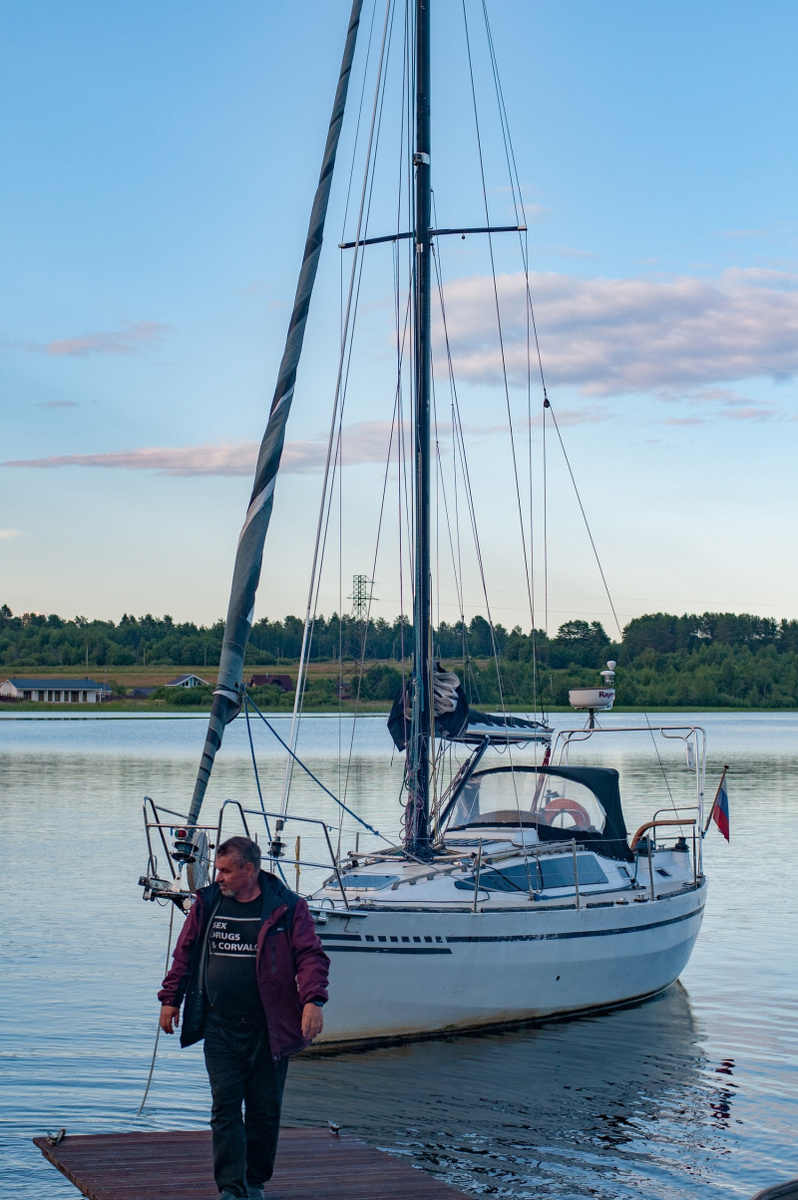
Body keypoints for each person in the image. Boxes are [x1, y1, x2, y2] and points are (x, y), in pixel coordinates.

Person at [158, 835, 330, 1200]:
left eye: (225, 871)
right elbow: (184, 953)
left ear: (249, 870)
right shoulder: (207, 903)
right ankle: (231, 1189)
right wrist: (170, 998)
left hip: (269, 1028)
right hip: (220, 1025)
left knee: (265, 1111)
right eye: (217, 870)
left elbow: (311, 956)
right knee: (225, 1106)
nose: (217, 877)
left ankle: (254, 1182)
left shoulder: (286, 906)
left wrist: (313, 1001)